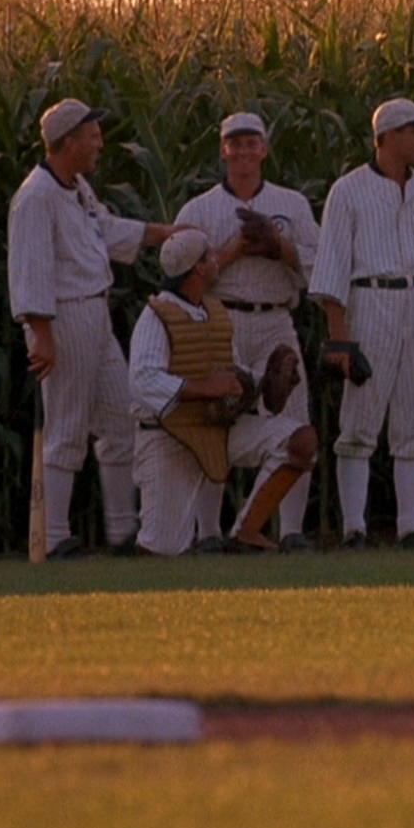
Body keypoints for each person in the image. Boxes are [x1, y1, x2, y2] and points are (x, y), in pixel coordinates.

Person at [7, 98, 175, 557]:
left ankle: (122, 532)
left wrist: (159, 233)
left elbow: (106, 230)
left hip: (95, 312)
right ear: (66, 142)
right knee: (66, 425)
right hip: (63, 314)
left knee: (122, 420)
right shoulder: (36, 197)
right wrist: (41, 334)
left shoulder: (76, 186)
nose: (100, 143)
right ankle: (55, 536)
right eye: (91, 135)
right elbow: (30, 268)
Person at [309, 97, 414, 549]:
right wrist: (339, 338)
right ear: (387, 137)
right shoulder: (349, 190)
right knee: (360, 422)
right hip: (371, 301)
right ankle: (354, 529)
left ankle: (409, 527)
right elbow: (333, 264)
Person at [172, 112, 322, 551]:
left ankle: (289, 529)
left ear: (264, 149)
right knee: (215, 422)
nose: (243, 151)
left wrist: (279, 245)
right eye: (234, 143)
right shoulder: (198, 209)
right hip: (220, 321)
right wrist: (237, 247)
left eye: (251, 143)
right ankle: (210, 533)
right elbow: (183, 280)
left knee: (293, 415)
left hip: (276, 315)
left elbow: (317, 267)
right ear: (223, 150)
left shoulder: (292, 204)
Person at [127, 228, 318, 556]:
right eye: (210, 255)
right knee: (160, 552)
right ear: (198, 268)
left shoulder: (214, 313)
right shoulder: (156, 316)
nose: (217, 259)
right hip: (169, 436)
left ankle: (247, 529)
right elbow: (143, 381)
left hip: (216, 429)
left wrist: (263, 384)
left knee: (300, 442)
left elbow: (232, 372)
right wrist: (203, 388)